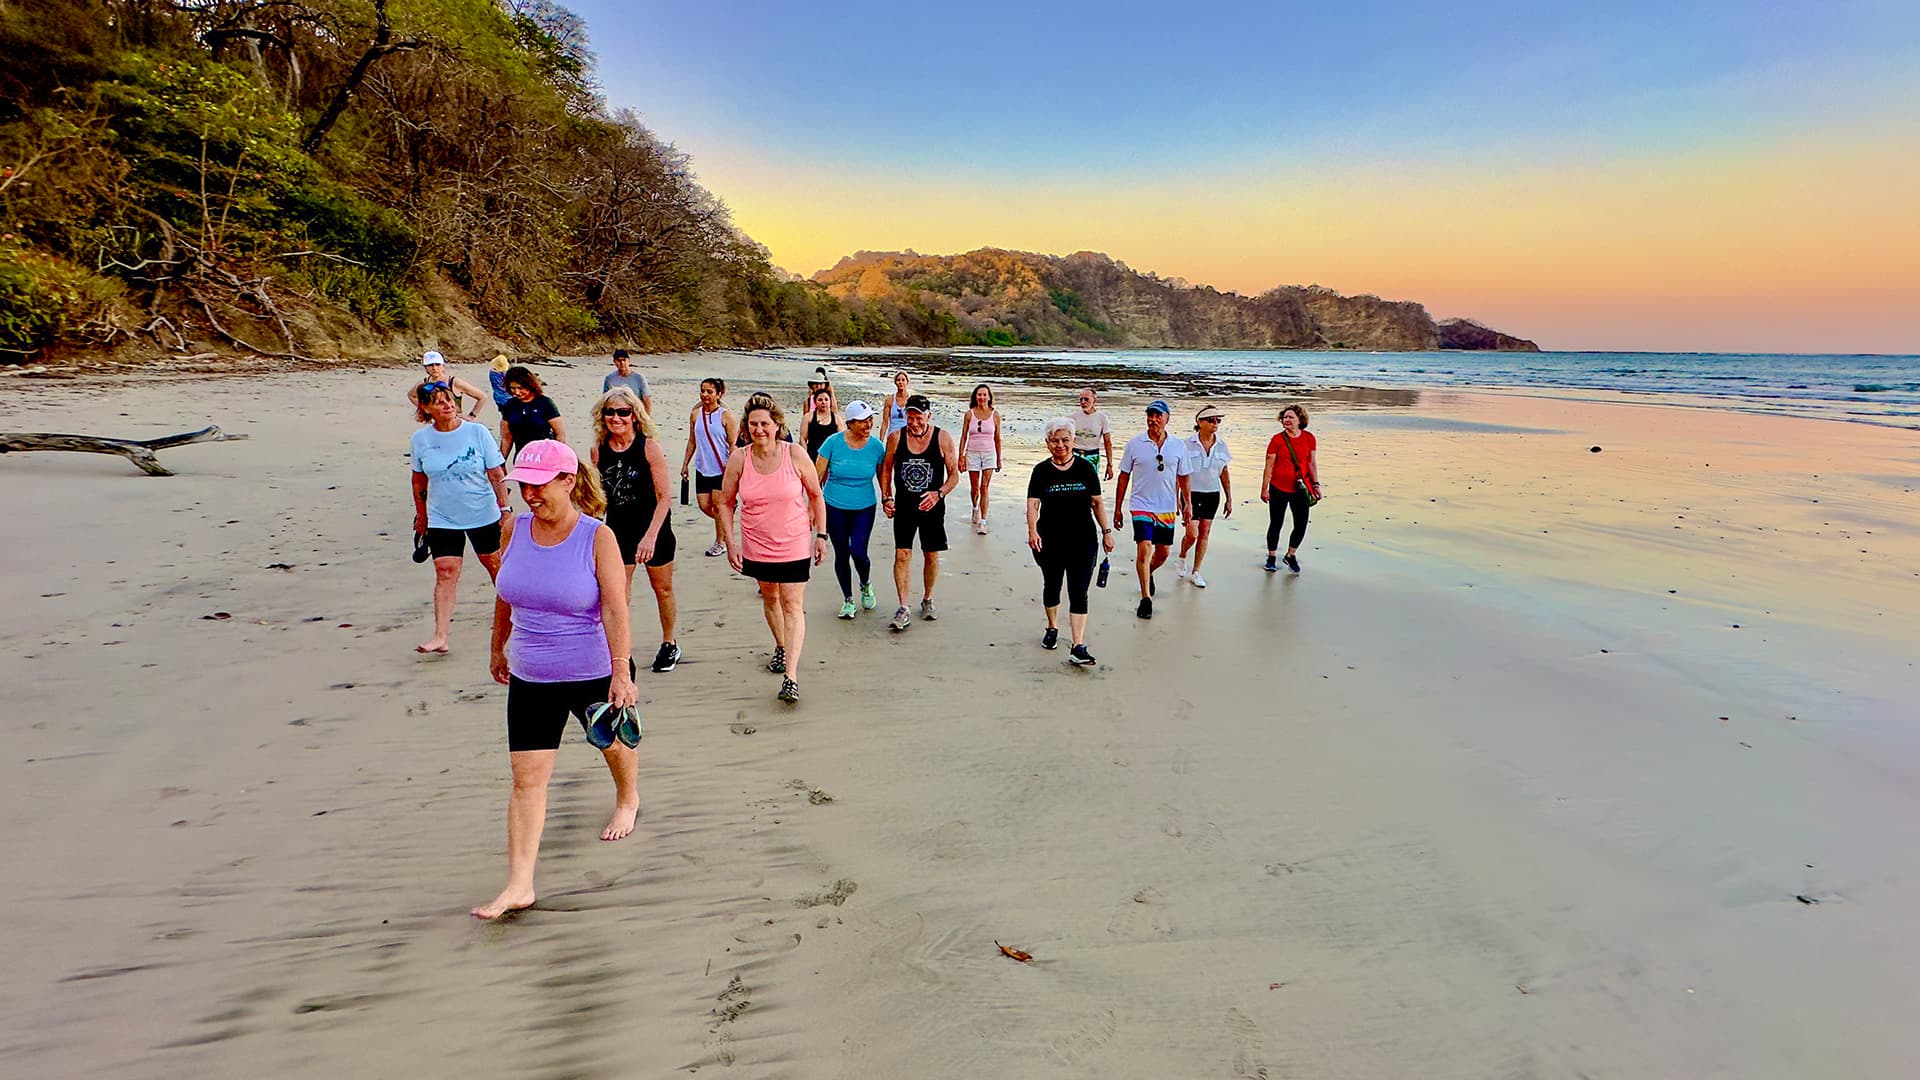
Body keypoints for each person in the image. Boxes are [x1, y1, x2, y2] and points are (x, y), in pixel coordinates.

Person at [474, 439, 637, 919]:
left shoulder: (597, 537)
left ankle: (627, 798)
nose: (529, 495)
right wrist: (497, 646)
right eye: (523, 485)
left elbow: (615, 607)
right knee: (527, 779)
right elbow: (505, 593)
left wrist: (622, 672)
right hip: (530, 675)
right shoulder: (514, 528)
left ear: (568, 481)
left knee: (612, 746)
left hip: (591, 671)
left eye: (538, 485)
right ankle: (519, 884)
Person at [717, 398, 829, 703]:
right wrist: (730, 543)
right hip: (757, 543)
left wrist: (821, 535)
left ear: (777, 425)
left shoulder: (795, 454)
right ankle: (781, 645)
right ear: (746, 427)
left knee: (792, 603)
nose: (759, 430)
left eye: (765, 423)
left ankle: (790, 676)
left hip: (794, 542)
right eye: (753, 424)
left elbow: (816, 495)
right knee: (770, 597)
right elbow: (725, 502)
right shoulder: (740, 459)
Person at [409, 382, 510, 654]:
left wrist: (505, 508)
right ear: (426, 409)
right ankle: (440, 636)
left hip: (482, 512)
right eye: (439, 402)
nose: (448, 405)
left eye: (450, 399)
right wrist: (422, 516)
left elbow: (496, 473)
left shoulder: (477, 432)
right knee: (445, 572)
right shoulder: (421, 440)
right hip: (442, 516)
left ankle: (518, 619)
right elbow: (419, 480)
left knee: (496, 568)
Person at [591, 387, 679, 673]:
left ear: (634, 416)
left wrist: (650, 537)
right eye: (610, 412)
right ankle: (622, 651)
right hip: (618, 530)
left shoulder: (648, 447)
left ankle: (669, 642)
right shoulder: (598, 451)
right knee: (617, 594)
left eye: (623, 412)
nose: (616, 418)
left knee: (662, 589)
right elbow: (598, 499)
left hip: (654, 527)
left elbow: (664, 497)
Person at [1027, 417, 1115, 666]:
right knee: (1052, 585)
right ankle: (1052, 627)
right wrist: (1032, 531)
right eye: (1055, 440)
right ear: (1047, 443)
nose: (1060, 445)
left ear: (1074, 441)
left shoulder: (1085, 468)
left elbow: (1097, 502)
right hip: (1049, 539)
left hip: (1083, 539)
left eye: (1065, 440)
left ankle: (1078, 646)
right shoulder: (1041, 471)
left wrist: (1107, 531)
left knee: (1079, 591)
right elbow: (1033, 504)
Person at [879, 394, 960, 630]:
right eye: (910, 417)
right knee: (902, 554)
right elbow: (886, 469)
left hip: (932, 507)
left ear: (929, 416)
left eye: (919, 418)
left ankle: (927, 598)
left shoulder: (942, 437)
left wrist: (939, 494)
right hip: (904, 506)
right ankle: (903, 606)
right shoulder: (896, 437)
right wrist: (886, 497)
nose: (914, 423)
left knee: (931, 554)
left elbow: (954, 475)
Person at [1111, 399, 1191, 619]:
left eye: (1158, 416)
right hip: (1141, 505)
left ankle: (1148, 573)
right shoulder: (1135, 444)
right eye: (1150, 415)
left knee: (1163, 552)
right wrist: (1118, 508)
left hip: (1167, 506)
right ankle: (1146, 599)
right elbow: (1124, 476)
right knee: (1144, 547)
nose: (1153, 420)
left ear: (1167, 419)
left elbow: (1184, 477)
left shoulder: (1178, 446)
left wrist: (1188, 504)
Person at [814, 400, 886, 619]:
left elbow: (883, 476)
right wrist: (812, 509)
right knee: (842, 553)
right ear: (850, 423)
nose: (868, 425)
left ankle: (865, 583)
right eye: (863, 421)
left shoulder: (876, 447)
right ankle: (848, 600)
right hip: (834, 506)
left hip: (864, 507)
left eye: (870, 420)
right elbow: (815, 479)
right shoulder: (832, 443)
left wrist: (888, 498)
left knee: (859, 552)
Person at [680, 377, 737, 557]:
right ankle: (726, 520)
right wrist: (685, 464)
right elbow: (692, 441)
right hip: (702, 467)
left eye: (709, 392)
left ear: (719, 394)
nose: (705, 394)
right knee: (705, 506)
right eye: (702, 391)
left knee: (718, 506)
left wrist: (733, 469)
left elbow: (733, 445)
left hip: (721, 468)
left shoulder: (726, 416)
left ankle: (721, 542)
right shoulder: (695, 415)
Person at [1177, 405, 1233, 589]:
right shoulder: (1186, 444)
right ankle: (1182, 555)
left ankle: (1196, 571)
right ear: (1199, 422)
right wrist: (1176, 497)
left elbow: (1224, 472)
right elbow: (1180, 473)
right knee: (1192, 534)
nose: (1215, 423)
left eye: (1218, 420)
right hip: (1191, 493)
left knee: (1205, 532)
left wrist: (1229, 498)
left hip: (1212, 493)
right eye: (1211, 420)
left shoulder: (1222, 445)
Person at [1261, 403, 1321, 574]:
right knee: (1276, 523)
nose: (1286, 420)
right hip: (1278, 487)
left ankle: (1291, 554)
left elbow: (1311, 463)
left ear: (1300, 419)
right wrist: (1264, 488)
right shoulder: (1277, 440)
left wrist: (1316, 484)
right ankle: (1271, 557)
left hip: (1301, 489)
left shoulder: (1309, 438)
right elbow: (1269, 466)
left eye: (1290, 417)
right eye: (1284, 417)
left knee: (1301, 524)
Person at [498, 366, 565, 462]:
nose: (517, 392)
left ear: (529, 385)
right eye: (513, 388)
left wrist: (559, 457)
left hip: (545, 456)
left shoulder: (545, 403)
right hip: (522, 457)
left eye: (520, 388)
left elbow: (560, 434)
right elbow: (506, 438)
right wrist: (501, 462)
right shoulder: (510, 405)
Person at [960, 383, 1003, 534]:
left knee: (984, 486)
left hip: (989, 454)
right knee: (975, 488)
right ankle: (974, 508)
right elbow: (963, 436)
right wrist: (961, 456)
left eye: (985, 395)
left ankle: (983, 521)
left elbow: (997, 439)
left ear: (989, 397)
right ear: (975, 397)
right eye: (979, 394)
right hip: (972, 453)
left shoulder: (995, 415)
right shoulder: (969, 414)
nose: (982, 397)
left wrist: (999, 459)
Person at [408, 350, 487, 423]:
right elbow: (411, 395)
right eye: (430, 365)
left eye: (437, 364)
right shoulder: (424, 384)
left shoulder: (454, 383)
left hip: (455, 423)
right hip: (436, 423)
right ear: (425, 368)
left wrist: (472, 416)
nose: (434, 368)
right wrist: (425, 410)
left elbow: (482, 397)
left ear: (443, 366)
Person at [1073, 387, 1114, 480]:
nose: (1083, 402)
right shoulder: (1073, 417)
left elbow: (1107, 442)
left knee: (1091, 485)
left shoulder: (1102, 418)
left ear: (1094, 400)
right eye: (1081, 399)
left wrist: (1109, 465)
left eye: (1086, 399)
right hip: (1075, 456)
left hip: (1092, 456)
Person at [602, 348, 654, 416]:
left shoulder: (639, 378)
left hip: (636, 413)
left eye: (624, 360)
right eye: (619, 360)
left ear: (628, 361)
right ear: (614, 362)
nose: (622, 363)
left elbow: (647, 400)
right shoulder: (609, 379)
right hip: (617, 414)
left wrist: (647, 417)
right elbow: (605, 400)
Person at [802, 385, 843, 461]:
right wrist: (806, 456)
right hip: (812, 454)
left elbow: (840, 440)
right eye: (820, 400)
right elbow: (803, 438)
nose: (823, 402)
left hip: (830, 456)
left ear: (830, 401)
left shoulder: (837, 419)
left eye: (826, 400)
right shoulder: (808, 417)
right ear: (815, 402)